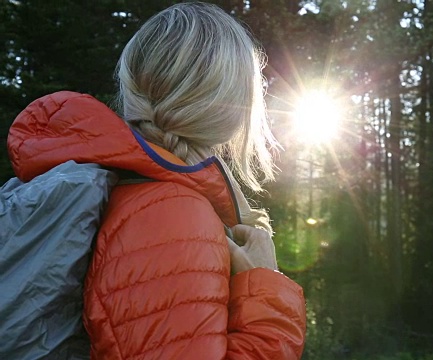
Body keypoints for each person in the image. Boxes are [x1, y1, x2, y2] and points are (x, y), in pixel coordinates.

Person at [6, 2, 306, 359]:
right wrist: (266, 290)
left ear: (131, 87)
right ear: (234, 105)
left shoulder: (123, 187)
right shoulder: (173, 214)